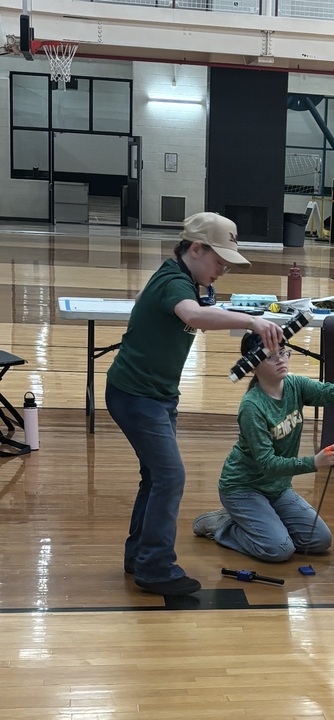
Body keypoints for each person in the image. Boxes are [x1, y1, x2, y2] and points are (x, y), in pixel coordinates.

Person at [105, 212, 284, 597]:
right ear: (196, 248)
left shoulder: (185, 280)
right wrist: (252, 322)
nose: (222, 270)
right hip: (137, 395)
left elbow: (168, 307)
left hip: (156, 395)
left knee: (156, 477)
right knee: (170, 477)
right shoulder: (174, 280)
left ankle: (139, 555)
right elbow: (192, 316)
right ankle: (154, 568)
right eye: (218, 261)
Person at [192, 333, 334, 562]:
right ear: (253, 365)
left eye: (283, 353)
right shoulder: (252, 406)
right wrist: (313, 463)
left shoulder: (295, 385)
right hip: (242, 488)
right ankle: (224, 525)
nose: (281, 360)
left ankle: (262, 519)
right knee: (279, 549)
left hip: (277, 488)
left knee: (319, 540)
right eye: (271, 357)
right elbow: (267, 464)